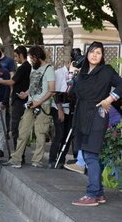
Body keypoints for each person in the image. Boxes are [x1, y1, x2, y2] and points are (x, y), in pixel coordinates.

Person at [70, 41, 122, 207]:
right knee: (87, 154)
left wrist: (110, 98)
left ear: (102, 56)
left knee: (91, 155)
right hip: (82, 115)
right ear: (87, 54)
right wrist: (73, 75)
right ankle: (98, 193)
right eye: (92, 52)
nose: (94, 55)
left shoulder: (106, 71)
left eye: (98, 52)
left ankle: (92, 193)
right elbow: (73, 93)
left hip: (98, 116)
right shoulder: (83, 72)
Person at [4, 45, 55, 168]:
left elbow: (51, 90)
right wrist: (26, 93)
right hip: (30, 104)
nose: (31, 60)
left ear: (37, 57)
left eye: (32, 58)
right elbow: (33, 86)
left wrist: (38, 102)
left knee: (40, 133)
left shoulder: (49, 69)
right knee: (23, 131)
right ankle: (16, 159)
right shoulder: (34, 68)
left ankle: (37, 160)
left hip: (43, 105)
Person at [0, 46, 31, 157]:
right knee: (17, 128)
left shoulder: (23, 67)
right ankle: (19, 153)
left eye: (16, 56)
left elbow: (12, 81)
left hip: (19, 101)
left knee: (15, 128)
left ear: (21, 55)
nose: (15, 59)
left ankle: (18, 154)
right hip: (21, 99)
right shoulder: (27, 67)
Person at [47, 60, 73, 169]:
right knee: (60, 134)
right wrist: (60, 110)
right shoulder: (58, 73)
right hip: (58, 107)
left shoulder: (77, 75)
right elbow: (54, 92)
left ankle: (61, 160)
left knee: (68, 135)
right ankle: (52, 160)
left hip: (70, 108)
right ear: (69, 62)